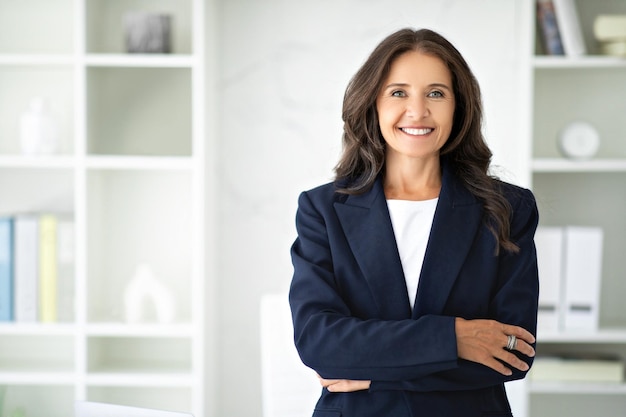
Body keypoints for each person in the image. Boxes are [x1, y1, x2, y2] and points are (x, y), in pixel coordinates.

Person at [288, 27, 539, 417]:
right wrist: (455, 337)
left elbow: (513, 353)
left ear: (459, 106)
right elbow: (319, 344)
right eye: (398, 92)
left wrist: (374, 371)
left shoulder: (507, 208)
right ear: (373, 102)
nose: (418, 111)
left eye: (436, 93)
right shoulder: (322, 209)